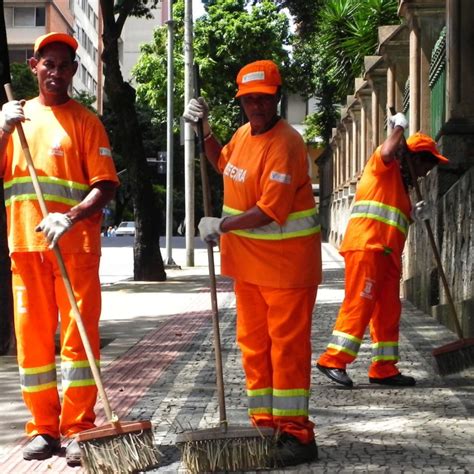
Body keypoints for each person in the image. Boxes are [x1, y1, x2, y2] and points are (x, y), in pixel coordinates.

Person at [183, 60, 322, 467]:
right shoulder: (244, 135)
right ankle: (264, 427)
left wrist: (221, 224)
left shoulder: (287, 143)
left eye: (263, 98)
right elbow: (224, 164)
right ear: (240, 102)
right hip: (248, 268)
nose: (256, 106)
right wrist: (205, 130)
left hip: (286, 269)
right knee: (254, 348)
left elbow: (270, 210)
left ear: (276, 96)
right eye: (249, 100)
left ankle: (296, 434)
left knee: (287, 351)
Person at [0, 32, 119, 465]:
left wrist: (68, 217)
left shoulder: (86, 122)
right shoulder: (16, 120)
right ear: (34, 66)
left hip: (76, 249)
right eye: (48, 63)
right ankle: (42, 429)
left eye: (64, 65)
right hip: (26, 248)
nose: (56, 72)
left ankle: (79, 429)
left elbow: (105, 185)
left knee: (78, 341)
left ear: (73, 70)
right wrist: (0, 129)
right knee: (32, 345)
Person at [316, 113, 449, 388]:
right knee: (360, 303)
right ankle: (333, 359)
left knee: (389, 309)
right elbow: (389, 150)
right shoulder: (382, 164)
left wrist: (413, 212)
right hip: (367, 247)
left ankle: (384, 367)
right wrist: (399, 127)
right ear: (413, 157)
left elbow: (394, 218)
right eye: (427, 163)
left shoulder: (401, 188)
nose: (426, 171)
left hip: (387, 255)